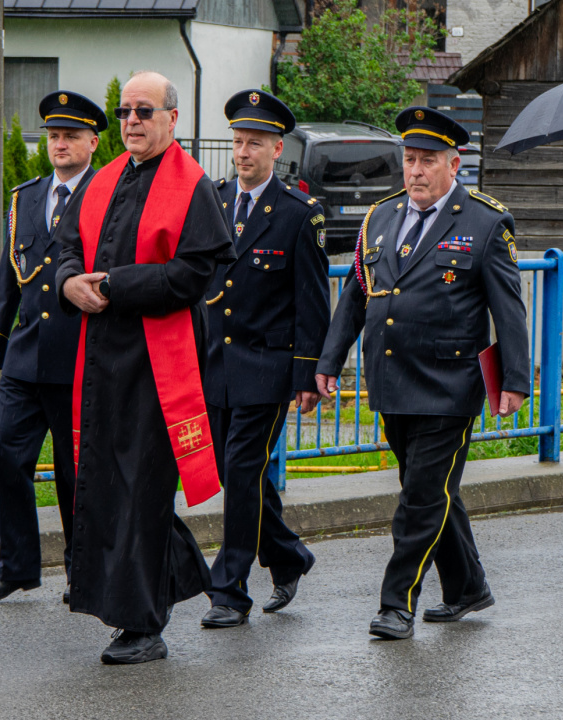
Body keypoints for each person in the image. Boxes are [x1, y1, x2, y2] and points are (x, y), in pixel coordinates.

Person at [316, 107, 531, 640]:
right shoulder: (381, 219)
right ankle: (467, 587)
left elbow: (509, 308)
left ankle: (397, 603)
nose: (414, 171)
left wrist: (515, 379)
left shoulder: (484, 221)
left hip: (449, 385)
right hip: (392, 380)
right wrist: (328, 362)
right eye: (409, 160)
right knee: (431, 490)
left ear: (453, 164)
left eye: (427, 161)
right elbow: (356, 296)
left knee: (420, 499)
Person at [55, 71, 233, 664]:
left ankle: (144, 625)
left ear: (171, 120)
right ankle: (168, 585)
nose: (131, 120)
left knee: (141, 487)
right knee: (107, 481)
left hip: (160, 361)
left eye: (144, 111)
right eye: (125, 111)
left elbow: (193, 273)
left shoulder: (194, 187)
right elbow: (63, 247)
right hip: (102, 355)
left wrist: (111, 285)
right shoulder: (103, 179)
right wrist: (67, 282)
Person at [0, 91, 106, 606]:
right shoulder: (26, 196)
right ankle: (17, 566)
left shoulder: (106, 194)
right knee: (5, 456)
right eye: (53, 136)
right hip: (27, 355)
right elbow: (10, 274)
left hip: (79, 356)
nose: (60, 144)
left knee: (76, 471)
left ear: (93, 141)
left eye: (71, 136)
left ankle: (81, 569)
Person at [198, 89, 328, 629]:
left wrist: (307, 373)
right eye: (237, 142)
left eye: (254, 143)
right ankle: (289, 554)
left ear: (278, 150)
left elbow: (312, 302)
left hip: (268, 368)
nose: (243, 152)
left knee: (244, 467)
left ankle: (229, 589)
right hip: (216, 365)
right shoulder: (215, 200)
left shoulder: (299, 214)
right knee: (237, 474)